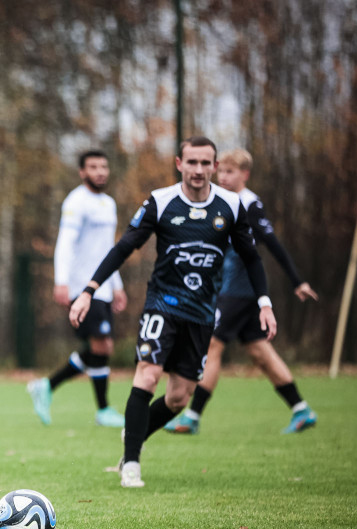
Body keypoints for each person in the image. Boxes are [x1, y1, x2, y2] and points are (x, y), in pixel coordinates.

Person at [70, 136, 276, 488]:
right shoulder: (161, 202)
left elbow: (251, 257)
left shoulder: (230, 205)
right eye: (191, 162)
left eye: (205, 163)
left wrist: (264, 302)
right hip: (162, 304)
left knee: (180, 397)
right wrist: (89, 290)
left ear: (213, 166)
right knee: (147, 375)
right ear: (179, 163)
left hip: (201, 313)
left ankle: (133, 434)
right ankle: (131, 463)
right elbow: (124, 247)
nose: (198, 170)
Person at [164, 149, 318, 435]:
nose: (223, 177)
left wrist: (297, 281)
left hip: (237, 292)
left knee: (212, 346)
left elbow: (273, 245)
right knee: (260, 351)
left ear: (245, 174)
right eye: (221, 171)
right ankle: (301, 409)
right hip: (236, 292)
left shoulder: (248, 204)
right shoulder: (224, 202)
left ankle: (192, 416)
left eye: (230, 172)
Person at [27, 150, 127, 428]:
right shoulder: (76, 201)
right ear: (82, 172)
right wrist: (62, 281)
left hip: (104, 287)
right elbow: (65, 243)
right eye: (93, 167)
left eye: (104, 166)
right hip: (82, 288)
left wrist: (116, 285)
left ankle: (47, 385)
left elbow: (111, 251)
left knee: (99, 348)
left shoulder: (108, 204)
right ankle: (103, 410)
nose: (100, 172)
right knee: (102, 345)